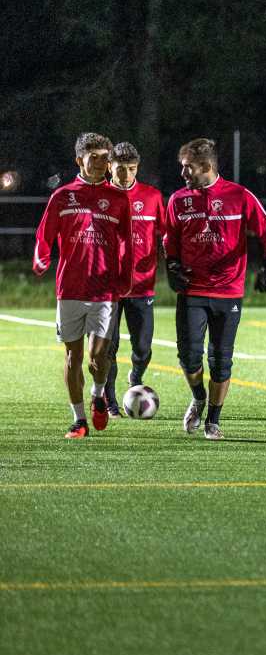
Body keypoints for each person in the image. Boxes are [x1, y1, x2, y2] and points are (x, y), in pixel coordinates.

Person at [165, 138, 266, 440]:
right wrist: (172, 266)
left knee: (220, 359)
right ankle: (199, 397)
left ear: (206, 167)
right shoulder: (178, 200)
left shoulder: (238, 196)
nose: (183, 174)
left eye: (187, 168)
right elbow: (170, 240)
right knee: (188, 357)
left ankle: (213, 420)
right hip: (192, 290)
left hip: (228, 291)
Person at [33, 132, 133, 438]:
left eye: (106, 157)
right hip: (70, 290)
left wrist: (125, 279)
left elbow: (127, 242)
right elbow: (43, 235)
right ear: (80, 160)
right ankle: (79, 421)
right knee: (73, 357)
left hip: (105, 290)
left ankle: (99, 394)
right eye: (95, 157)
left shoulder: (118, 199)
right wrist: (41, 259)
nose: (102, 163)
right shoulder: (62, 197)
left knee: (97, 358)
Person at [102, 141, 166, 416]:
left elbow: (166, 233)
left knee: (142, 347)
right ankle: (110, 400)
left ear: (137, 167)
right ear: (109, 168)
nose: (125, 175)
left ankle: (136, 376)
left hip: (143, 285)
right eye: (120, 169)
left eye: (130, 169)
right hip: (107, 287)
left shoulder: (152, 196)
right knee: (108, 347)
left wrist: (169, 255)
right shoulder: (100, 196)